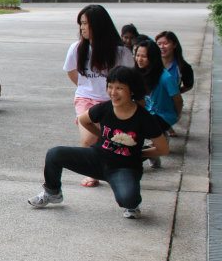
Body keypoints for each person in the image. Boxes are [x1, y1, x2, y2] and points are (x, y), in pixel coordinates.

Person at [28, 66, 168, 219]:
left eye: (119, 88)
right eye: (110, 86)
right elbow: (83, 120)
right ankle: (52, 192)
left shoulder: (144, 118)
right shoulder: (105, 108)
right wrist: (101, 135)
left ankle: (133, 206)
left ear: (132, 90)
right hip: (97, 157)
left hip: (124, 168)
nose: (113, 92)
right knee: (55, 154)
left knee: (128, 200)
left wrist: (139, 154)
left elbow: (163, 148)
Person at [63, 4, 135, 187]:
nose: (82, 28)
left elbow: (129, 78)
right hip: (85, 99)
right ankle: (91, 172)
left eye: (85, 23)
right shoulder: (76, 48)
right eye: (80, 23)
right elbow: (71, 72)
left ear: (98, 25)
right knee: (89, 138)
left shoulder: (121, 52)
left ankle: (115, 169)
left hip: (113, 102)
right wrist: (86, 87)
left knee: (113, 139)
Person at [135, 39, 181, 169]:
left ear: (153, 58)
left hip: (163, 115)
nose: (139, 59)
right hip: (147, 112)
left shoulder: (166, 77)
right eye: (137, 55)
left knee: (141, 130)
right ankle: (155, 147)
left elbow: (178, 100)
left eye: (144, 56)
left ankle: (153, 148)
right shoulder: (137, 73)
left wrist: (177, 115)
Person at [154, 30, 194, 95]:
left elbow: (189, 85)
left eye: (165, 43)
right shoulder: (150, 63)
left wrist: (175, 93)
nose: (162, 47)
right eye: (159, 44)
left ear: (174, 45)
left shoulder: (183, 67)